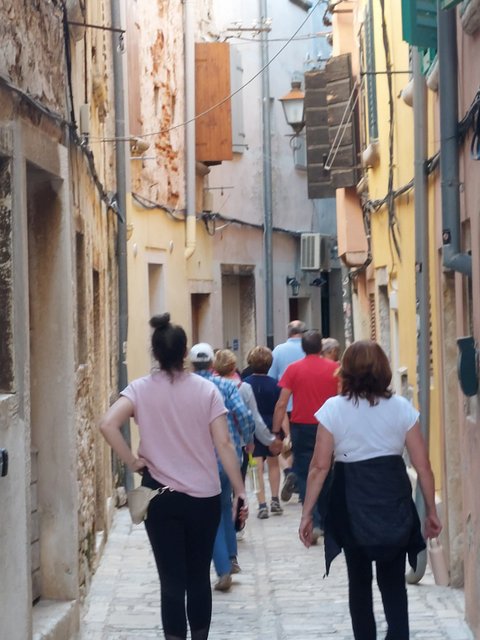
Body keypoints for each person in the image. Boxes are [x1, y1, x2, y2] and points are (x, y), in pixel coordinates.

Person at [99, 313, 247, 640]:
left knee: (171, 582)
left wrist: (132, 462)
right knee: (198, 578)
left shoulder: (139, 390)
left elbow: (107, 424)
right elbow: (224, 444)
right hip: (203, 498)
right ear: (184, 353)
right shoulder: (206, 391)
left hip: (159, 497)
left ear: (155, 353)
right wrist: (239, 490)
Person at [299, 340, 442, 640]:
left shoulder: (333, 410)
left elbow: (319, 467)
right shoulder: (401, 408)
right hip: (393, 501)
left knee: (359, 582)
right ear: (383, 369)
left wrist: (307, 513)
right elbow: (423, 466)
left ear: (346, 370)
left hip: (351, 502)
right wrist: (431, 511)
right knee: (393, 583)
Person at [190, 343, 253, 592]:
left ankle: (223, 568)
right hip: (229, 456)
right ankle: (231, 557)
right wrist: (247, 439)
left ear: (191, 364)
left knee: (211, 513)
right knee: (225, 505)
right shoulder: (226, 386)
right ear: (212, 363)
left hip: (201, 459)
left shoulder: (188, 388)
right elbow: (243, 415)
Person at [272, 329, 338, 543]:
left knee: (303, 470)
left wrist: (276, 431)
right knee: (326, 470)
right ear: (321, 347)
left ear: (303, 347)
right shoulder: (335, 369)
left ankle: (313, 517)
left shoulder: (293, 369)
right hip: (328, 425)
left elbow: (282, 402)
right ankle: (322, 520)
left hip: (301, 426)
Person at [244, 346, 288, 519]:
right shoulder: (276, 385)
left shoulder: (245, 383)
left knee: (255, 467)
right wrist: (281, 432)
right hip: (271, 425)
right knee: (274, 463)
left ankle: (261, 504)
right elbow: (280, 409)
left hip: (252, 428)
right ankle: (275, 499)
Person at [268, 320, 306, 501]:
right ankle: (300, 482)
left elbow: (272, 378)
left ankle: (289, 472)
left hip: (284, 405)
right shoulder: (309, 350)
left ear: (289, 332)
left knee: (284, 445)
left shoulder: (278, 351)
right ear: (303, 332)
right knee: (302, 446)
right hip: (305, 406)